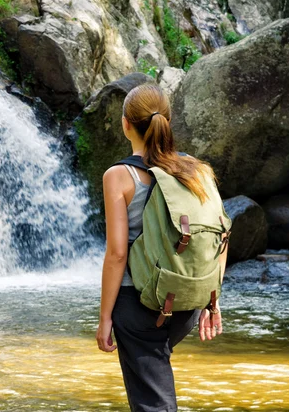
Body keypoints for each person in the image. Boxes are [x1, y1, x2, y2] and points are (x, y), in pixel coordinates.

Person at [95, 83, 229, 412]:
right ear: (167, 121)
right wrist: (212, 300)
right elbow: (221, 234)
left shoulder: (119, 175)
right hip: (187, 301)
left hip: (140, 304)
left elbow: (117, 254)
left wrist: (104, 317)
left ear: (126, 124)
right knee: (155, 380)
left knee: (152, 403)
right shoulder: (197, 171)